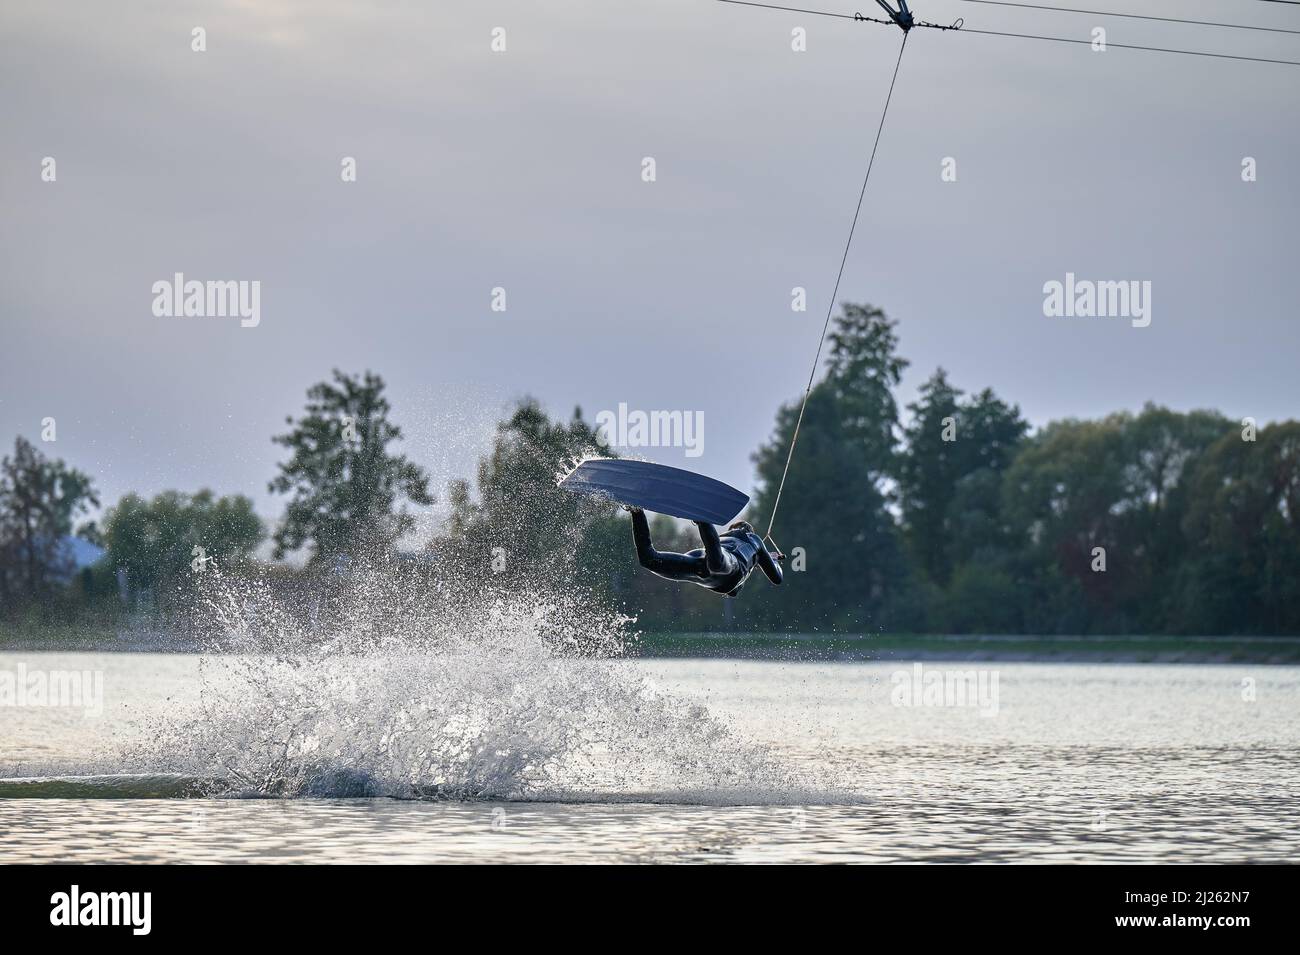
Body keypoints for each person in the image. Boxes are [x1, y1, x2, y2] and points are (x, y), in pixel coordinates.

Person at [627, 506, 783, 597]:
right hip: (718, 565)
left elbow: (734, 592)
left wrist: (761, 560)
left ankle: (636, 511)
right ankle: (701, 517)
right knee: (717, 564)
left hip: (703, 564)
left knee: (648, 559)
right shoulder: (753, 539)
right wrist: (773, 561)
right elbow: (777, 578)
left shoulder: (748, 544)